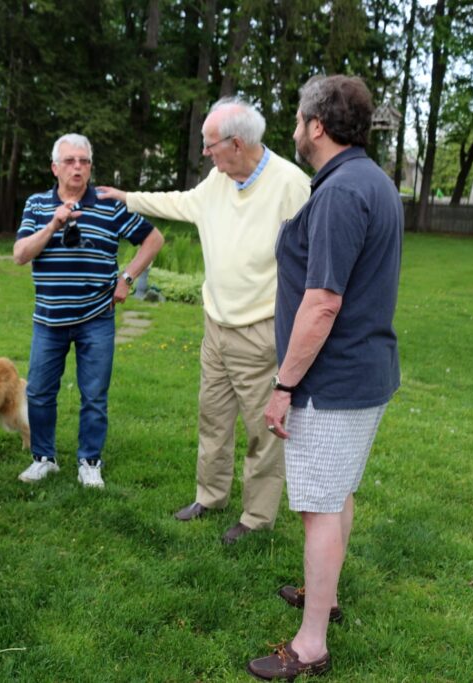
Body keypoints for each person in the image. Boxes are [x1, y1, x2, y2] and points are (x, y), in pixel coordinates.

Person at [97, 97, 310, 544]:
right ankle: (210, 496)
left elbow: (310, 259)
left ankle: (257, 518)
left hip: (261, 331)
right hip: (216, 326)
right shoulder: (218, 180)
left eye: (210, 145)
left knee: (262, 431)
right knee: (212, 417)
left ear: (236, 144)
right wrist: (127, 198)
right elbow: (181, 202)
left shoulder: (291, 184)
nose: (206, 153)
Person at [246, 75, 403, 680]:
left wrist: (284, 386)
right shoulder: (371, 180)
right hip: (364, 373)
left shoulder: (341, 192)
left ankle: (311, 645)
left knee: (317, 507)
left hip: (331, 383)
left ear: (316, 125)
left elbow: (322, 303)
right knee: (337, 494)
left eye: (297, 118)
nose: (294, 128)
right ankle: (325, 596)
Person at [13, 133, 164, 489]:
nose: (77, 167)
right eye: (69, 161)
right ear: (55, 168)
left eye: (84, 161)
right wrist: (53, 224)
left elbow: (154, 238)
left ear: (91, 167)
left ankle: (89, 461)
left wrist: (127, 278)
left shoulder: (109, 204)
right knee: (39, 392)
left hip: (97, 317)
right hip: (49, 318)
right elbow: (20, 254)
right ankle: (44, 458)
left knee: (94, 395)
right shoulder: (38, 204)